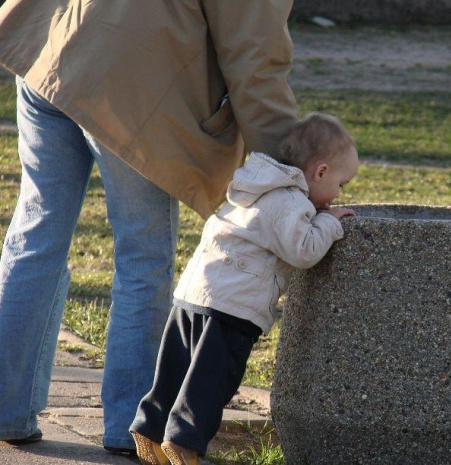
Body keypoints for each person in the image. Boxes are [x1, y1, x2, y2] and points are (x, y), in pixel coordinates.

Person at [0, 0, 297, 455]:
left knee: (36, 232)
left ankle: (6, 409)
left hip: (50, 41)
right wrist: (286, 177)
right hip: (129, 83)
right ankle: (129, 427)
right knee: (143, 255)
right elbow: (255, 60)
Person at [128, 113, 359, 465]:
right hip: (233, 308)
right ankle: (183, 444)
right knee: (210, 382)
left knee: (177, 369)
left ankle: (149, 428)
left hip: (193, 295)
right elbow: (305, 250)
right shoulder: (290, 201)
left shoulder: (254, 184)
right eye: (342, 184)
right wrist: (328, 222)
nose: (338, 195)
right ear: (321, 172)